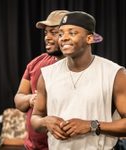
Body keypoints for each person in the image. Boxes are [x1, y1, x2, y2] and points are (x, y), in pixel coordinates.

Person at [31, 11, 126, 150]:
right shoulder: (46, 75)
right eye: (61, 33)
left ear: (90, 39)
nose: (64, 38)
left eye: (72, 33)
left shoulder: (115, 73)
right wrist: (45, 122)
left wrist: (91, 125)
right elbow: (35, 118)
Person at [14, 10, 69, 150]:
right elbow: (19, 99)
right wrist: (31, 99)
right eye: (46, 33)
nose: (47, 38)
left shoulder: (81, 67)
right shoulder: (36, 63)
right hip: (33, 146)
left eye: (54, 32)